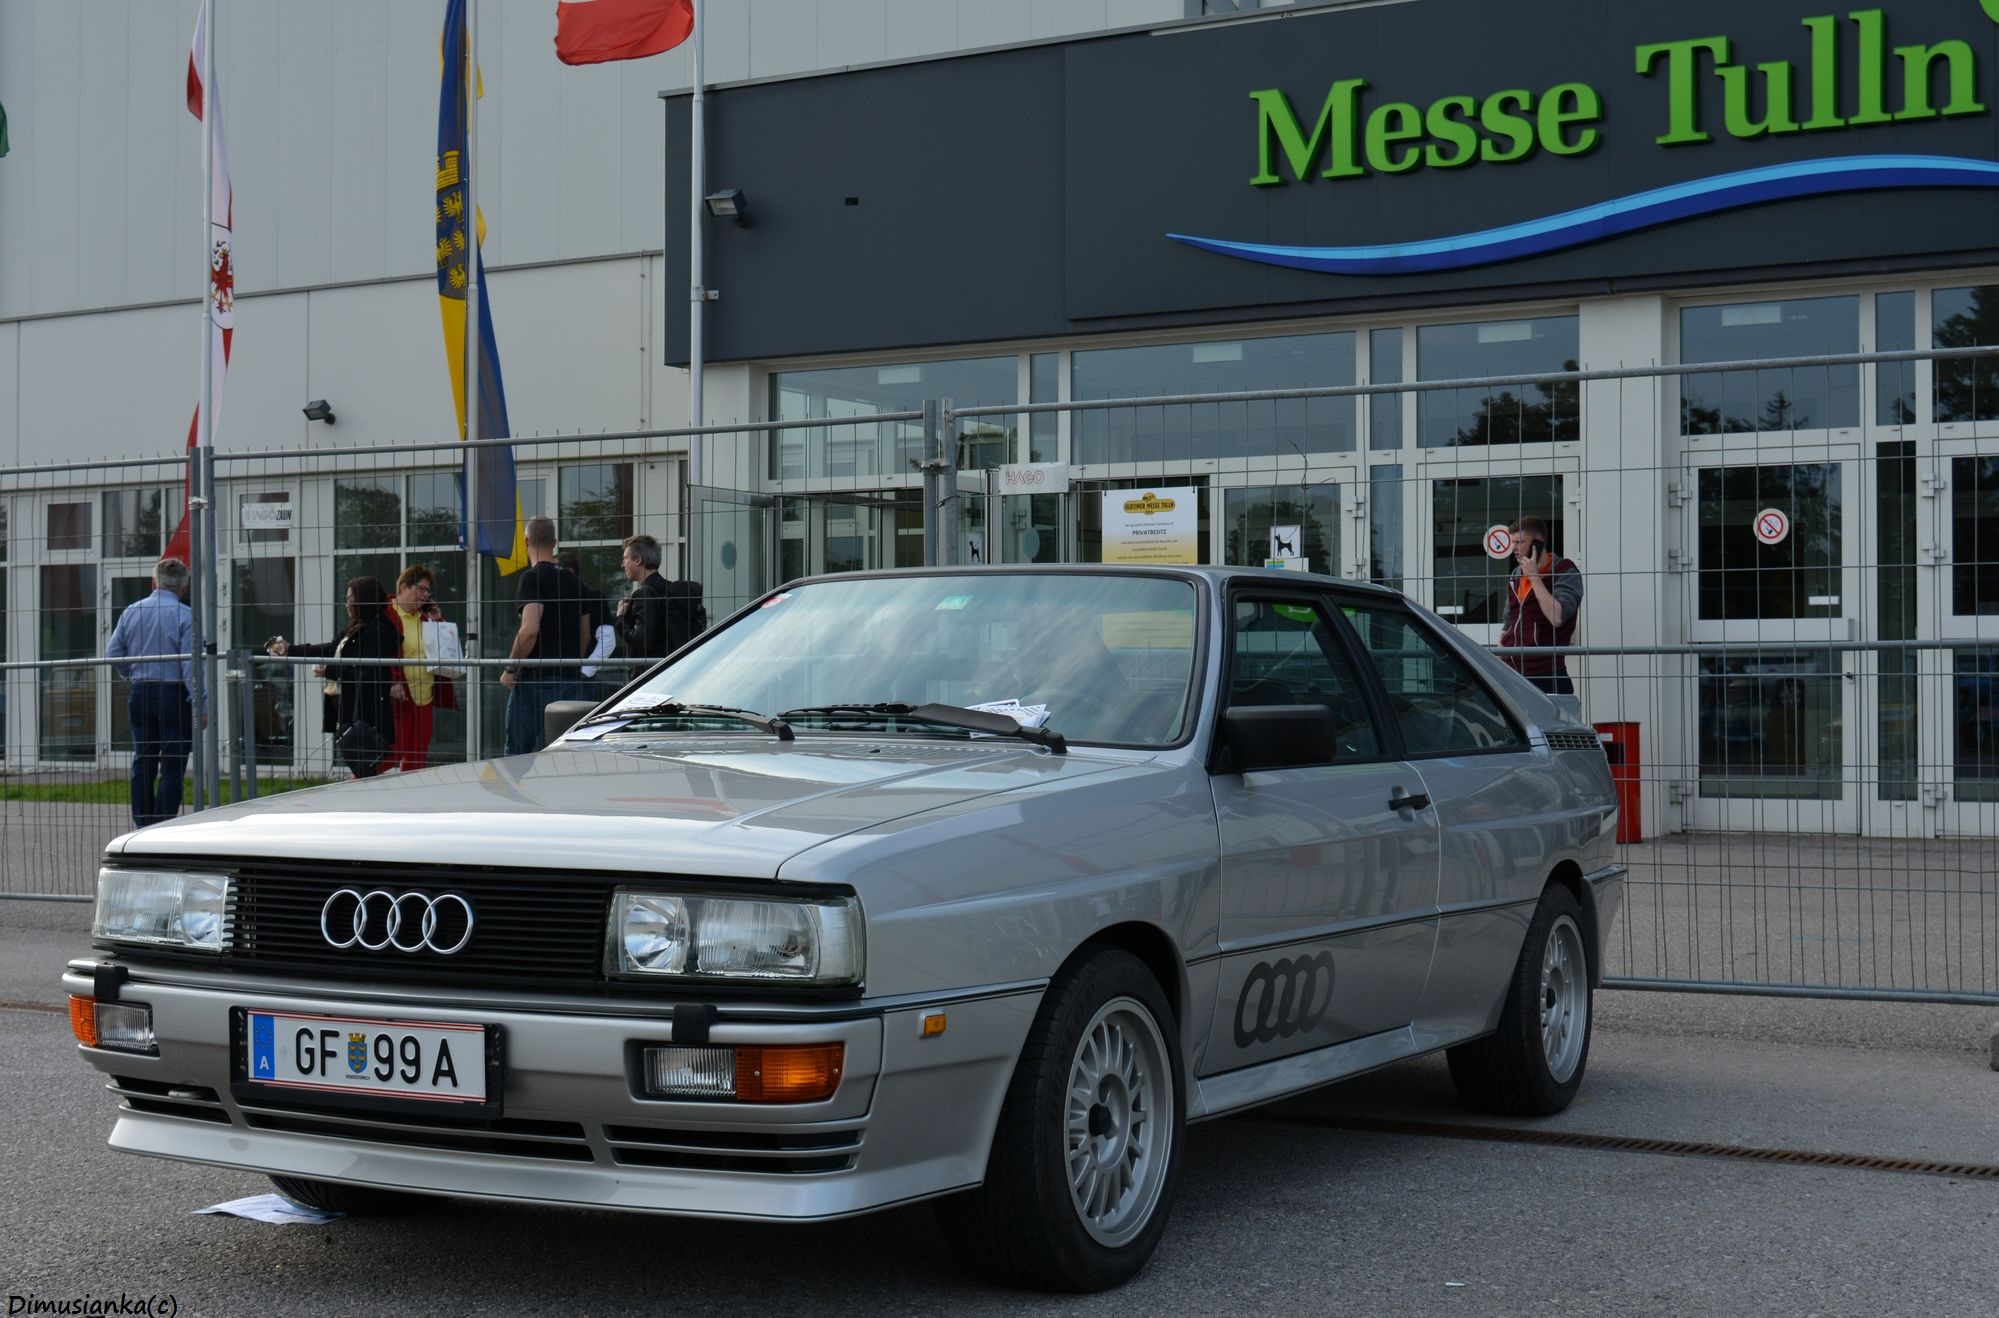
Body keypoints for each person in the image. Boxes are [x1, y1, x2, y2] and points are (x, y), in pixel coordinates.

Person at [105, 557, 202, 828]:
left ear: (153, 582)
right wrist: (199, 703)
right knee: (173, 765)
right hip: (174, 696)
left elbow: (112, 655)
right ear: (184, 587)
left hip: (141, 693)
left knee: (143, 762)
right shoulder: (186, 615)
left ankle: (143, 824)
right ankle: (162, 825)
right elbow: (189, 665)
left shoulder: (131, 611)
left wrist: (133, 676)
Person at [269, 577, 400, 778]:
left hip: (367, 714)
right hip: (351, 709)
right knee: (363, 769)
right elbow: (329, 649)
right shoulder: (356, 627)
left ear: (363, 600)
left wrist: (330, 671)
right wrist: (289, 650)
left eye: (350, 598)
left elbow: (368, 671)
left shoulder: (377, 631)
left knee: (367, 769)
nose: (346, 603)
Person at [500, 517, 590, 755]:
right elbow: (585, 633)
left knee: (518, 757)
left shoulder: (532, 578)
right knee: (563, 758)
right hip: (570, 680)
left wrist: (511, 670)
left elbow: (529, 630)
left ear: (526, 541)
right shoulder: (575, 581)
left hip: (536, 680)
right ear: (555, 542)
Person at [1498, 515, 1584, 695]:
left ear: (1538, 542)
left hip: (1546, 673)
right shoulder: (1516, 574)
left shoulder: (1564, 572)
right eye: (1512, 542)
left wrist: (1534, 577)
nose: (1513, 548)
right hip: (1513, 672)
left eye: (1520, 542)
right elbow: (1508, 621)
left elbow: (1557, 617)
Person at [384, 564, 451, 773]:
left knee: (417, 756)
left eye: (427, 590)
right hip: (399, 699)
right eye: (420, 589)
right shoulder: (387, 614)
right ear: (403, 587)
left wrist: (437, 620)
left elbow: (443, 650)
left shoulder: (424, 617)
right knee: (389, 754)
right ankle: (360, 791)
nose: (425, 595)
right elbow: (381, 651)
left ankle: (409, 802)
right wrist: (392, 680)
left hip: (423, 698)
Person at [558, 551, 616, 685]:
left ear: (570, 572)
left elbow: (607, 640)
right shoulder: (555, 598)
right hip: (558, 675)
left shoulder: (593, 596)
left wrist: (586, 670)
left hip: (579, 678)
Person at [615, 534, 671, 664]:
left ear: (637, 560)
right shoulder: (670, 589)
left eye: (625, 559)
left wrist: (620, 619)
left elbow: (641, 642)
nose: (623, 565)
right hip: (672, 668)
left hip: (650, 673)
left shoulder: (644, 593)